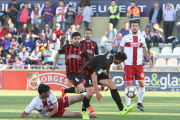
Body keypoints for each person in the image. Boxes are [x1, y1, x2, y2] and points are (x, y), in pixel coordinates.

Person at [80, 51, 135, 119]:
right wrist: (97, 92)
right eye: (120, 62)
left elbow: (108, 65)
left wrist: (108, 75)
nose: (119, 63)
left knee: (113, 85)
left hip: (95, 71)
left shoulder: (112, 56)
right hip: (87, 72)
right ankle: (84, 112)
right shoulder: (105, 62)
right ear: (119, 60)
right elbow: (94, 75)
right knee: (90, 94)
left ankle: (122, 109)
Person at [52, 32, 92, 110]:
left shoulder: (82, 50)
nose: (77, 40)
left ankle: (65, 90)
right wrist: (54, 64)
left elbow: (89, 60)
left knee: (78, 91)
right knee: (83, 89)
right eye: (75, 39)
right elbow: (58, 53)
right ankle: (88, 106)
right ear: (72, 39)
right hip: (71, 73)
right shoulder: (67, 47)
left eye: (78, 39)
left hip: (80, 73)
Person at [118, 20, 152, 111]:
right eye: (132, 26)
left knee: (142, 84)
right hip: (128, 65)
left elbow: (145, 50)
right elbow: (120, 49)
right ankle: (128, 105)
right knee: (128, 85)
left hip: (139, 65)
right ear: (131, 27)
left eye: (136, 26)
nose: (134, 27)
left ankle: (139, 103)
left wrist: (149, 59)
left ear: (138, 27)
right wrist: (119, 61)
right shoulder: (125, 37)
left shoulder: (142, 38)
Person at [21, 84, 97, 118]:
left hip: (58, 103)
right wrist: (32, 117)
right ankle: (89, 115)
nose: (50, 92)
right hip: (56, 113)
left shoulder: (51, 93)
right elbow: (23, 114)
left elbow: (56, 108)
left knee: (81, 97)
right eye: (48, 91)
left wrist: (46, 117)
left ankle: (89, 102)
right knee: (78, 115)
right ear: (43, 93)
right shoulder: (35, 102)